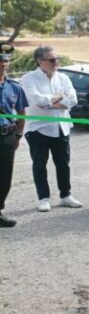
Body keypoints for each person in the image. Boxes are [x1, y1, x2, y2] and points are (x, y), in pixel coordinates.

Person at [20, 46, 82, 212]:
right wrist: (60, 97)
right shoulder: (28, 79)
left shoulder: (63, 78)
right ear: (40, 61)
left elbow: (73, 99)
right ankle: (43, 198)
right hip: (38, 128)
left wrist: (50, 104)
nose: (57, 62)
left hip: (62, 127)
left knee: (63, 163)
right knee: (39, 164)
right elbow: (37, 101)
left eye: (57, 59)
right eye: (52, 60)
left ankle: (66, 195)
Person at [0, 46, 28, 227]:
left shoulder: (14, 87)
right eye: (0, 62)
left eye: (6, 61)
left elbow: (22, 112)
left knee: (4, 177)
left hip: (7, 136)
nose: (3, 65)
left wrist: (18, 135)